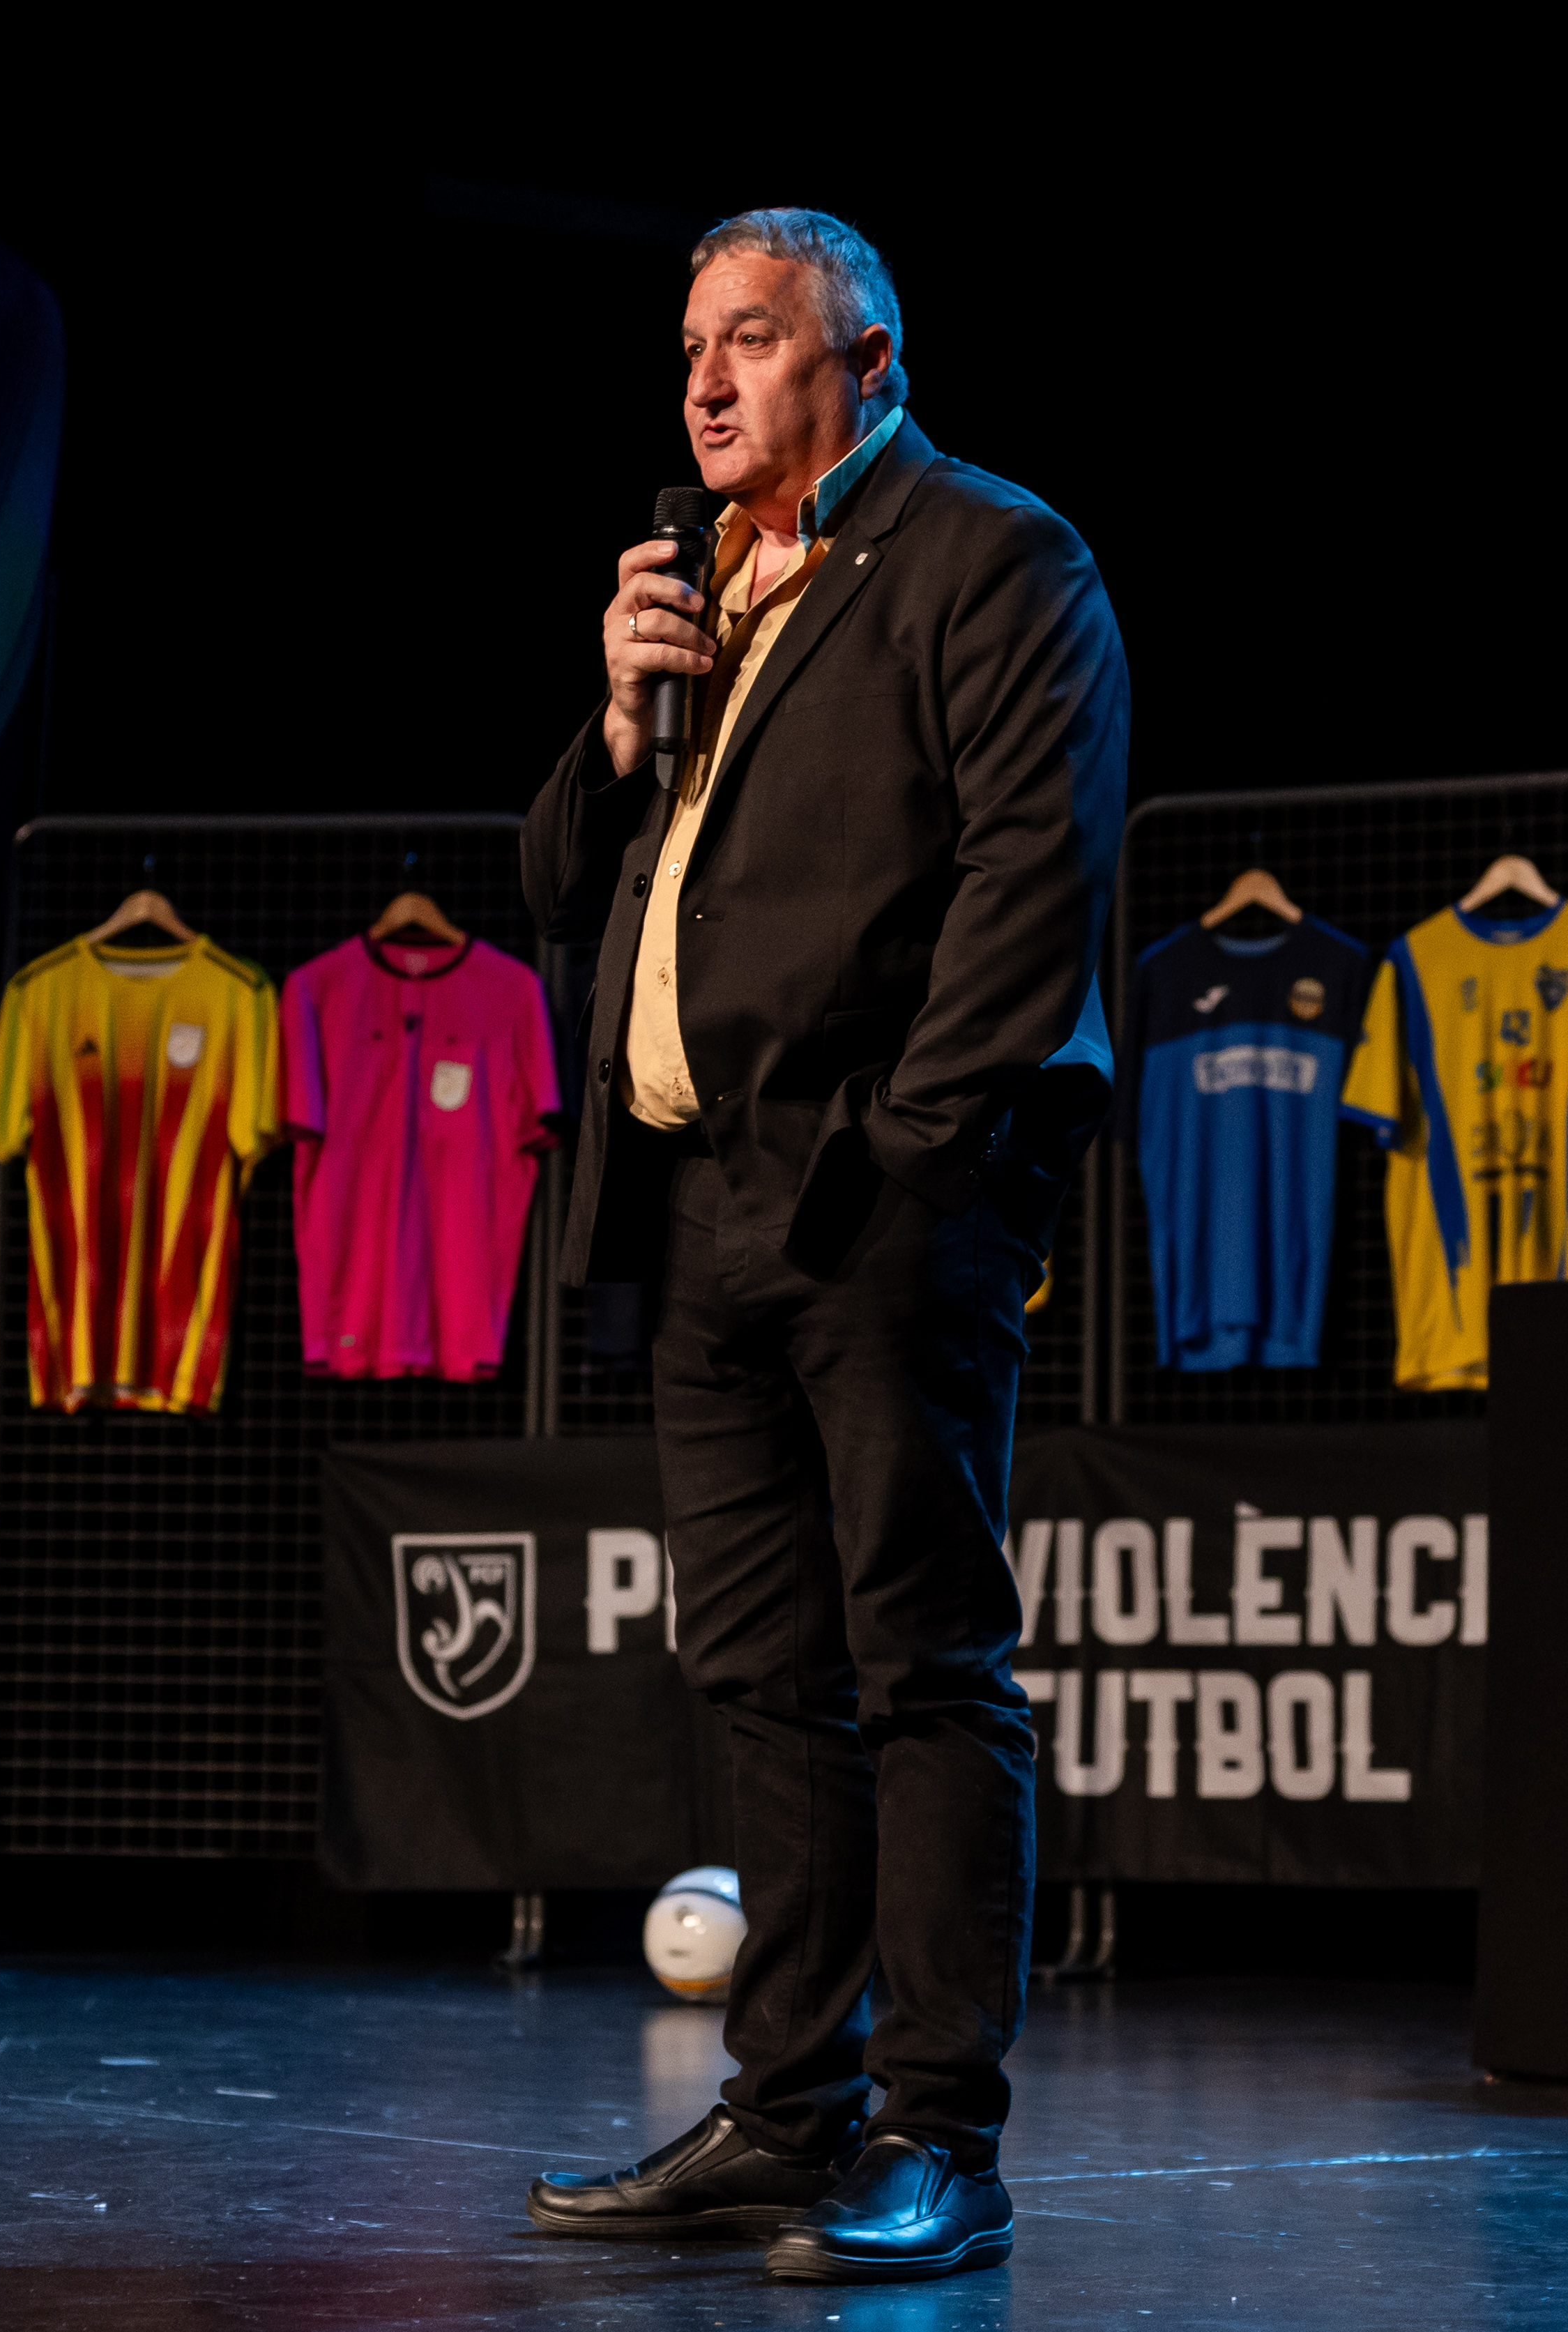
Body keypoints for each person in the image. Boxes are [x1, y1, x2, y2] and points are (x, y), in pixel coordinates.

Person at [519, 206, 1126, 2285]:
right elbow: (561, 880)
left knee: (924, 1665)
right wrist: (621, 718)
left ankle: (939, 2135)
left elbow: (1030, 887)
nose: (705, 380)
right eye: (690, 343)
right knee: (762, 1677)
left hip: (879, 1205)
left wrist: (901, 1160)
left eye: (752, 338)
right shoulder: (696, 593)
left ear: (867, 359)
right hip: (692, 1201)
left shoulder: (992, 556)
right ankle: (788, 2114)